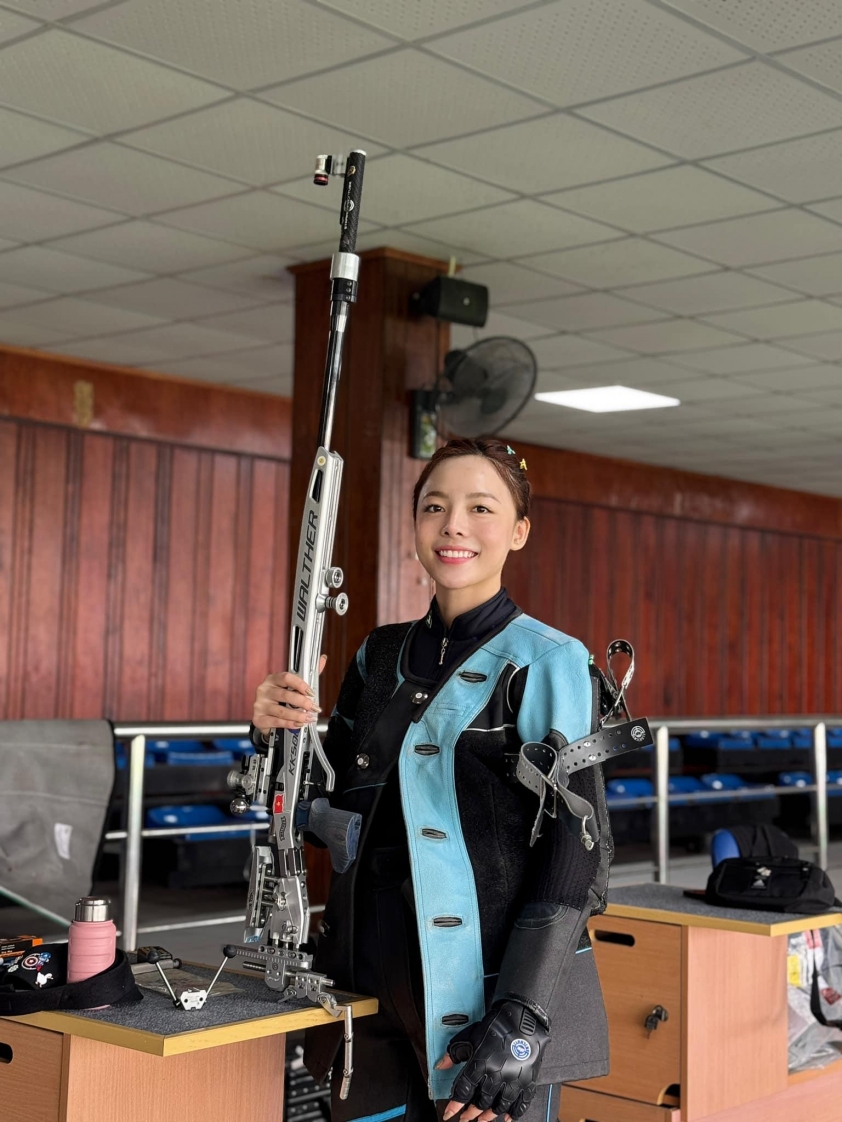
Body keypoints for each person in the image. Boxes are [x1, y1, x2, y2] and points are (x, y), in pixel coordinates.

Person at [251, 437, 613, 1122]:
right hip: (361, 982)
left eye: (481, 508)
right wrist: (276, 734)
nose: (453, 526)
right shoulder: (377, 653)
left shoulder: (551, 661)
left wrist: (523, 1014)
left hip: (488, 995)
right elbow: (316, 811)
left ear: (519, 531)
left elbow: (579, 855)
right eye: (434, 507)